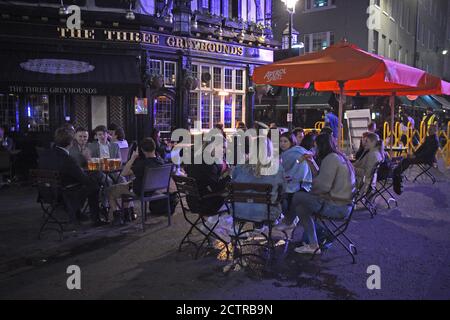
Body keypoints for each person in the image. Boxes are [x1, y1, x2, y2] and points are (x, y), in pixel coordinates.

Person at [277, 133, 355, 255]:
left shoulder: (331, 159)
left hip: (336, 206)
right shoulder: (338, 157)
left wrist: (311, 191)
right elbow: (322, 177)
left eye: (316, 147)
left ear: (321, 146)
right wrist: (312, 163)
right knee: (300, 207)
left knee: (298, 196)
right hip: (342, 205)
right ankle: (313, 245)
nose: (315, 150)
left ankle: (288, 221)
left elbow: (323, 187)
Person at [39, 127, 104, 226]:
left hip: (46, 192)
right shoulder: (67, 159)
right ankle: (95, 219)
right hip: (62, 194)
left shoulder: (45, 154)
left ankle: (77, 213)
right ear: (71, 142)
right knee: (94, 185)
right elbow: (84, 179)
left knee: (92, 180)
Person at [106, 138, 164, 223]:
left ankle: (117, 215)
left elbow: (124, 173)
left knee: (110, 190)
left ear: (142, 150)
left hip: (140, 190)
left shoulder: (143, 164)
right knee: (126, 187)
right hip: (154, 189)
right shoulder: (161, 161)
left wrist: (133, 158)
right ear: (154, 147)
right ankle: (127, 213)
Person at [231, 140, 286, 223]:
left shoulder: (240, 166)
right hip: (266, 213)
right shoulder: (277, 169)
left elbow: (233, 183)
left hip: (238, 211)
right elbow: (283, 190)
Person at [184, 140, 230, 215]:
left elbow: (207, 181)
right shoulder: (208, 163)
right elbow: (215, 187)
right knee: (233, 193)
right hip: (205, 203)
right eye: (223, 147)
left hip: (192, 199)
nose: (225, 150)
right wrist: (228, 175)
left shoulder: (197, 157)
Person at [393, 124, 439, 194]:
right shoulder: (428, 138)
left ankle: (398, 173)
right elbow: (421, 148)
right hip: (422, 157)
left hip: (427, 159)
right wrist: (414, 154)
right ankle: (398, 173)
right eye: (428, 129)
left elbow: (428, 153)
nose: (428, 131)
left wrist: (415, 156)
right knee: (406, 158)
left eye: (430, 129)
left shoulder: (435, 141)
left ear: (435, 131)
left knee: (407, 160)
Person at [280, 132, 313, 213]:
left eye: (285, 141)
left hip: (298, 184)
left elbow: (300, 167)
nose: (282, 144)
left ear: (291, 142)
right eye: (281, 141)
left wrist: (289, 176)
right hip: (288, 181)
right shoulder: (284, 154)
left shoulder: (297, 152)